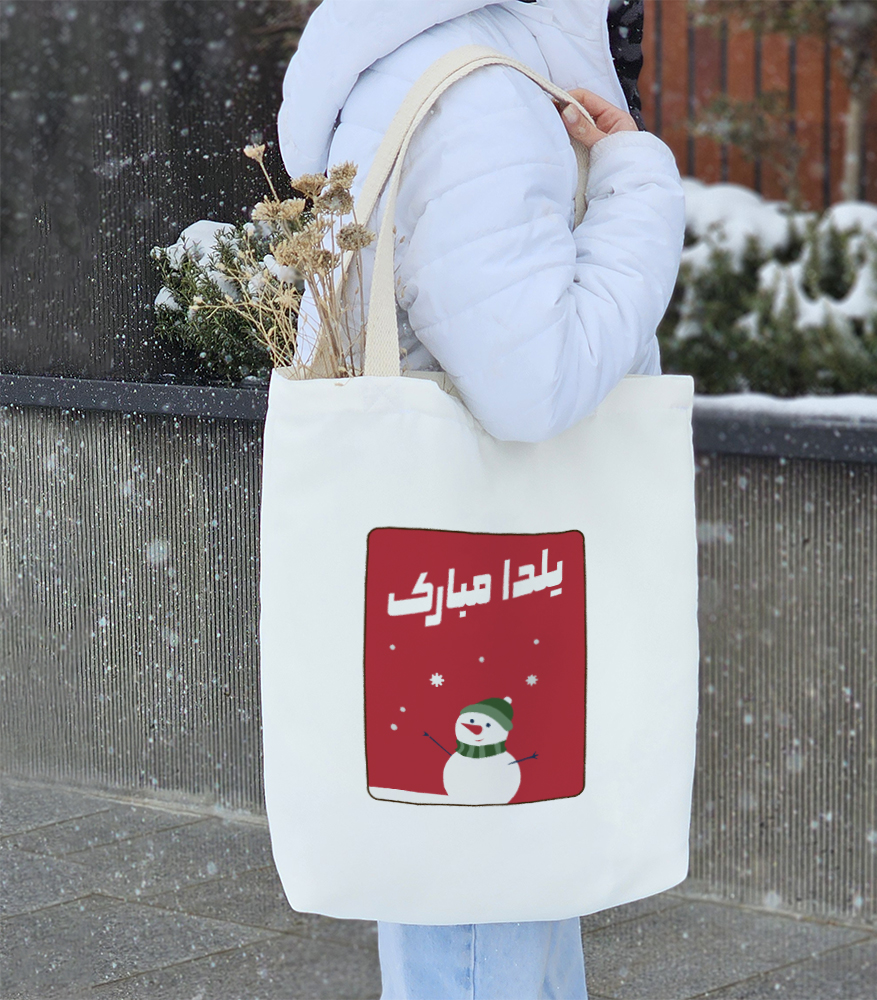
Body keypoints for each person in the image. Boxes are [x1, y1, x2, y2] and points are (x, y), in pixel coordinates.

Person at [278, 1, 685, 996]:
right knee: (483, 914)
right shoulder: (479, 95)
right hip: (491, 573)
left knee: (493, 891)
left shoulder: (433, 60)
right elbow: (532, 384)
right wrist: (637, 185)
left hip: (456, 571)